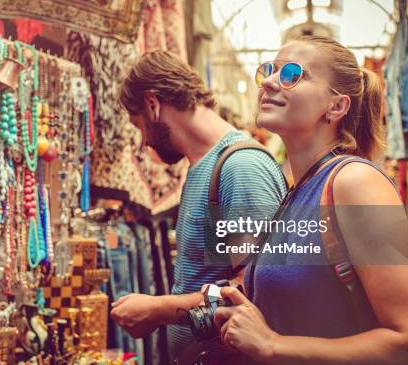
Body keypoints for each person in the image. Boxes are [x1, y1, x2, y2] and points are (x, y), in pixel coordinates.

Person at [213, 35, 408, 365]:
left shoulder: (355, 182)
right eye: (269, 70)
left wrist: (273, 345)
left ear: (336, 106)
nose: (270, 82)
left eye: (293, 73)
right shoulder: (298, 190)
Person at [110, 50, 287, 359]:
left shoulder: (239, 168)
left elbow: (250, 291)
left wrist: (158, 309)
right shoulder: (205, 166)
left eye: (138, 126)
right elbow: (221, 274)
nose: (144, 142)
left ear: (152, 105)